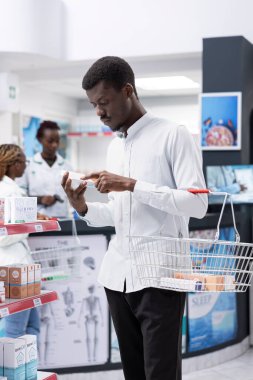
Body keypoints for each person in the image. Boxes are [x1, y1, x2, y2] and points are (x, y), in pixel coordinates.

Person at [62, 56, 208, 380]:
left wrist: (131, 185)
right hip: (117, 278)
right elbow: (120, 213)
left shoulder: (174, 135)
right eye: (93, 105)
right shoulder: (115, 147)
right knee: (134, 374)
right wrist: (82, 207)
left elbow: (197, 204)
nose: (99, 112)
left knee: (160, 374)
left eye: (104, 102)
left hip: (160, 278)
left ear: (127, 91)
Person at [0, 144, 42, 338]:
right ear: (14, 164)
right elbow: (4, 235)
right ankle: (8, 369)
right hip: (13, 269)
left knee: (32, 326)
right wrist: (30, 225)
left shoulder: (11, 190)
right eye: (24, 162)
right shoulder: (9, 193)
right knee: (14, 332)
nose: (26, 166)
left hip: (20, 268)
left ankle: (28, 369)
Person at [18, 120, 72, 218]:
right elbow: (19, 195)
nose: (54, 145)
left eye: (57, 141)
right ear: (40, 139)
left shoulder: (67, 166)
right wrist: (40, 199)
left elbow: (72, 193)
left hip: (62, 219)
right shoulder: (28, 165)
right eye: (50, 141)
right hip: (37, 219)